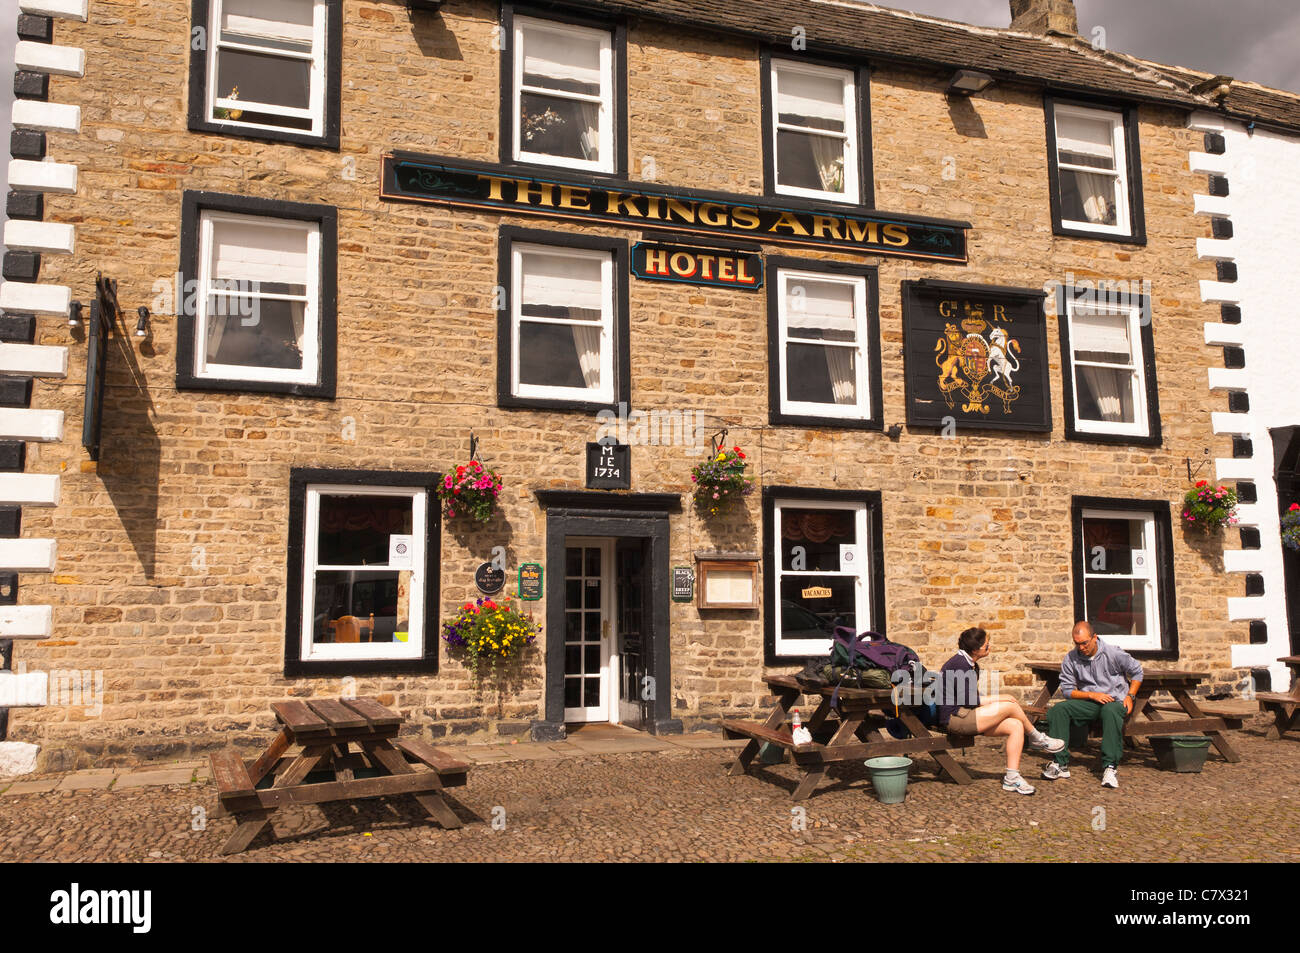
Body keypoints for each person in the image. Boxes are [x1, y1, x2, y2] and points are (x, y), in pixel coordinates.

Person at [937, 626, 1065, 795]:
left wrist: (997, 701)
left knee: (1015, 725)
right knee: (1010, 704)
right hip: (955, 719)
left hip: (967, 714)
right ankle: (1037, 738)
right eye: (987, 646)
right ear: (976, 650)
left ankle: (1012, 778)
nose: (990, 647)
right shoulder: (959, 664)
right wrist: (1000, 698)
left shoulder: (971, 665)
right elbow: (967, 700)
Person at [1041, 620, 1144, 789]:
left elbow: (1137, 671)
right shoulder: (1071, 658)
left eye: (1084, 643)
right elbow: (1067, 691)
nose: (1081, 647)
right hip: (1089, 702)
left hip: (1115, 701)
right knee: (1058, 710)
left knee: (1110, 712)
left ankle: (1110, 767)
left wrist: (1130, 696)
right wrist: (1091, 694)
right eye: (1077, 644)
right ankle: (1060, 763)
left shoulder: (1113, 653)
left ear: (1094, 638)